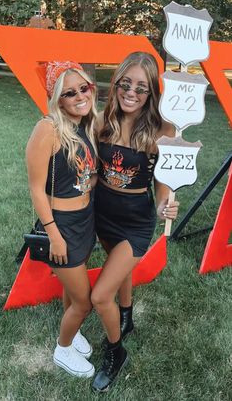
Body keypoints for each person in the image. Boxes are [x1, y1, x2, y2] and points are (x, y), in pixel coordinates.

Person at [91, 51, 179, 391]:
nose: (132, 92)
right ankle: (125, 315)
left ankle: (116, 352)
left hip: (135, 222)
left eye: (141, 87)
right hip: (103, 216)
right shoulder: (102, 121)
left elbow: (162, 184)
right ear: (115, 85)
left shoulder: (162, 129)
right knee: (119, 271)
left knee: (100, 296)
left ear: (152, 92)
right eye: (125, 83)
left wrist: (162, 207)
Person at [26, 61, 98, 378]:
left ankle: (73, 332)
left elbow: (83, 173)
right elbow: (36, 189)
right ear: (58, 98)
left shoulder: (82, 123)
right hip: (62, 226)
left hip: (84, 221)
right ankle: (63, 349)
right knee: (85, 302)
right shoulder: (48, 129)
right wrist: (54, 234)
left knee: (73, 293)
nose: (80, 96)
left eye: (84, 88)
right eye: (70, 93)